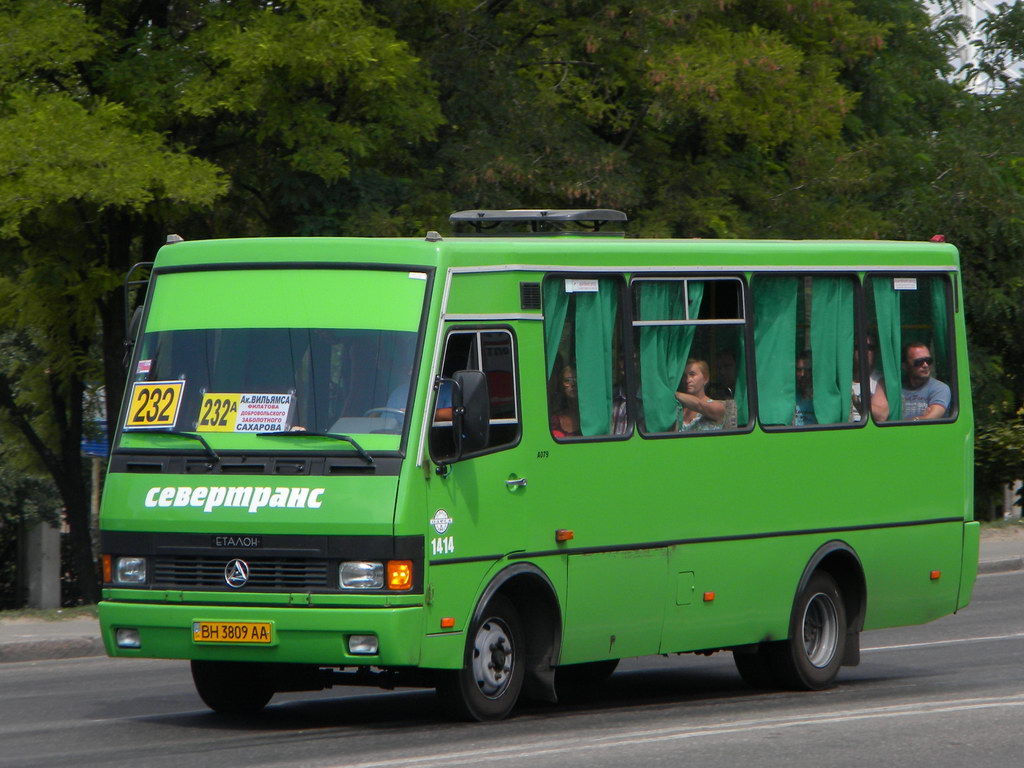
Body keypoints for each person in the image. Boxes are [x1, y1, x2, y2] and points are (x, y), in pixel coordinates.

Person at [900, 342, 951, 420]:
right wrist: (920, 418)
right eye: (919, 362)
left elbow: (930, 418)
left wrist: (901, 421)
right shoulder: (896, 388)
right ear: (905, 366)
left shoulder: (940, 389)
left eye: (928, 360)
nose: (925, 365)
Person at [674, 358, 725, 432]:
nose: (687, 380)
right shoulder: (679, 409)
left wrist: (673, 393)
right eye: (684, 376)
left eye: (692, 375)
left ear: (705, 379)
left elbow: (699, 405)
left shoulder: (717, 407)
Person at [850, 332, 888, 422]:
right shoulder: (842, 378)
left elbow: (881, 416)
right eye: (859, 347)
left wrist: (855, 399)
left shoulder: (878, 379)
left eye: (869, 348)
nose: (865, 352)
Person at [550, 364, 581, 438]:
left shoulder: (591, 417)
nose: (573, 384)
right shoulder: (554, 420)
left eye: (576, 380)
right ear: (561, 385)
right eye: (567, 381)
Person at [793, 351, 817, 426]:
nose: (802, 374)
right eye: (799, 370)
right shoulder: (790, 398)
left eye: (806, 370)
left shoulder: (820, 400)